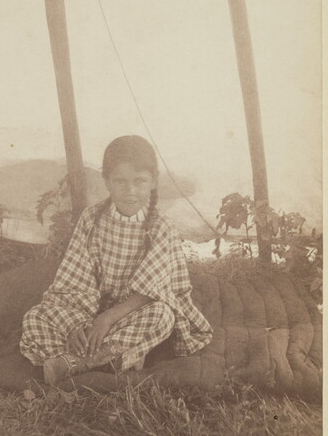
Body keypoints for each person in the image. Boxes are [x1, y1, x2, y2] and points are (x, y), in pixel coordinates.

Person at [20, 135, 213, 386]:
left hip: (132, 312)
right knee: (35, 317)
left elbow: (151, 291)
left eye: (139, 181)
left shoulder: (160, 228)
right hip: (89, 309)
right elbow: (75, 278)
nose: (130, 191)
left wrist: (107, 319)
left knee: (163, 316)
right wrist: (76, 325)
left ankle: (79, 363)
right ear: (107, 182)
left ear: (153, 182)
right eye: (120, 181)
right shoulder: (92, 219)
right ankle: (116, 357)